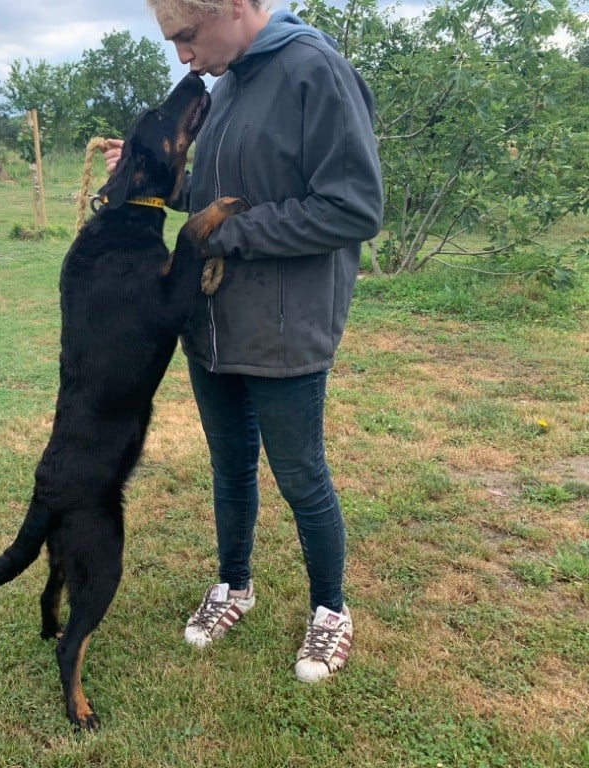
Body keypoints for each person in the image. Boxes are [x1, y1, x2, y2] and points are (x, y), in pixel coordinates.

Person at [103, 0, 383, 682]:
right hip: (211, 318)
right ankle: (234, 586)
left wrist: (226, 232)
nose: (183, 55)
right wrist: (153, 174)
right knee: (230, 467)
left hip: (285, 325)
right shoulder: (227, 84)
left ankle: (330, 610)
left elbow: (353, 207)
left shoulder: (315, 70)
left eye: (187, 35)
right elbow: (216, 190)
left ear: (232, 6)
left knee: (301, 477)